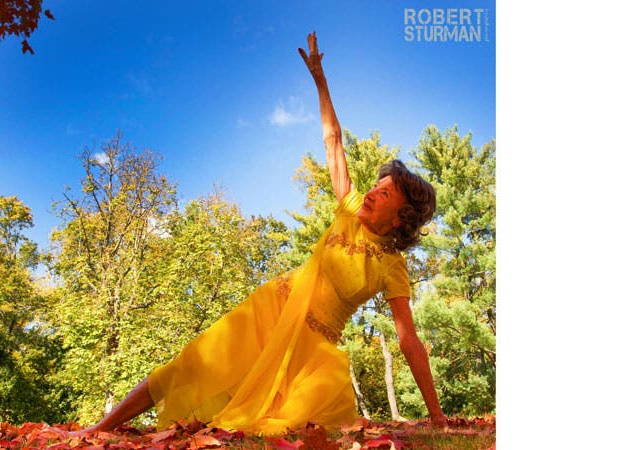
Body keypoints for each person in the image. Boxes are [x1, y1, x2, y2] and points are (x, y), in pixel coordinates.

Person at [81, 32, 447, 435]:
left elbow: (409, 341)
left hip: (310, 351)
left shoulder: (392, 267)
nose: (373, 192)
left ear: (401, 218)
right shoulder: (349, 211)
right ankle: (97, 428)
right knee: (190, 363)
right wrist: (320, 81)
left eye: (385, 192)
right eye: (376, 186)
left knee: (289, 418)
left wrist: (437, 415)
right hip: (270, 310)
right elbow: (333, 140)